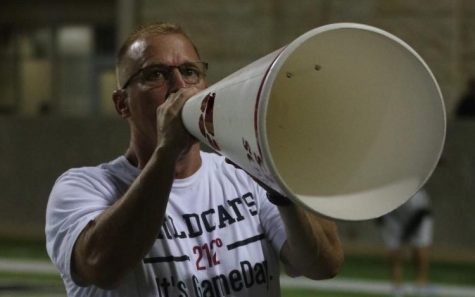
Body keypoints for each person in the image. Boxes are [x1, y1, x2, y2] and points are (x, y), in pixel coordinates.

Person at [45, 22, 344, 297]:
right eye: (156, 75)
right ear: (122, 104)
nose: (179, 86)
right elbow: (101, 265)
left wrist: (278, 183)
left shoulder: (242, 173)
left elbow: (324, 264)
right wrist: (167, 152)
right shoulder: (83, 188)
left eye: (190, 72)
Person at [380, 188, 434, 296]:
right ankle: (397, 286)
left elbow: (421, 213)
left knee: (420, 249)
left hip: (419, 219)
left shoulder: (417, 196)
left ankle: (421, 284)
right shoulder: (386, 195)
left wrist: (406, 234)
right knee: (395, 251)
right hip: (394, 217)